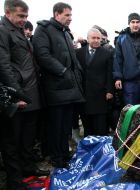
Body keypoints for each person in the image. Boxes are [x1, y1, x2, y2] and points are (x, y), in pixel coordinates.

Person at [0, 0, 49, 189]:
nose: (24, 20)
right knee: (11, 140)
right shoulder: (3, 31)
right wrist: (16, 94)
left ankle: (28, 167)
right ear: (7, 12)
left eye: (26, 16)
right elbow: (3, 65)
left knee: (28, 136)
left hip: (31, 93)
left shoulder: (18, 30)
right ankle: (14, 179)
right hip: (16, 95)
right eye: (21, 16)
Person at [32, 2, 85, 168]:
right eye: (67, 15)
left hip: (70, 87)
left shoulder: (65, 32)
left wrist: (77, 75)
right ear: (56, 14)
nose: (70, 18)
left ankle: (64, 154)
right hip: (56, 88)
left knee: (65, 126)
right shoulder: (43, 29)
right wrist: (63, 71)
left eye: (71, 15)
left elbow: (73, 59)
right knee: (56, 125)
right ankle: (56, 158)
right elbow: (42, 55)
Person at [76, 28, 113, 136]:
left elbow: (109, 74)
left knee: (100, 128)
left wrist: (109, 91)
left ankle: (101, 151)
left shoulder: (107, 53)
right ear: (88, 39)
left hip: (100, 96)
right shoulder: (78, 53)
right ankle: (89, 150)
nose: (96, 40)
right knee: (87, 128)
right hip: (84, 96)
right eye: (93, 38)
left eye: (98, 38)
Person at [113, 12, 140, 105]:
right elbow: (117, 60)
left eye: (137, 22)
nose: (135, 24)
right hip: (129, 82)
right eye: (133, 22)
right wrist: (118, 78)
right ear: (129, 23)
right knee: (130, 110)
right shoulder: (121, 39)